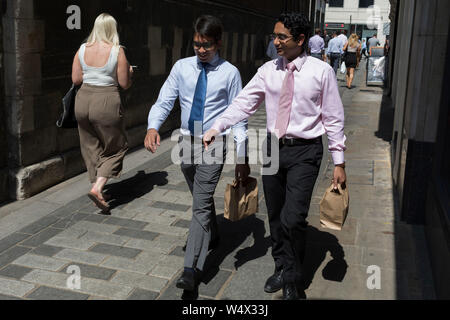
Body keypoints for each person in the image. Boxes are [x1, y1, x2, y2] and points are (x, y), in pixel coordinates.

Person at [203, 12, 347, 300]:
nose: (276, 41)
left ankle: (293, 278)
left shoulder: (321, 72)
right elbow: (243, 103)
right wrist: (217, 127)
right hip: (272, 148)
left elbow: (333, 117)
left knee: (294, 217)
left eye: (282, 36)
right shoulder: (268, 70)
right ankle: (282, 266)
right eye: (275, 36)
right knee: (277, 216)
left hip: (306, 150)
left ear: (300, 39)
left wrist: (339, 160)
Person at [144, 15, 250, 299]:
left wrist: (241, 155)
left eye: (207, 45)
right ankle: (212, 234)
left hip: (213, 142)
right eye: (196, 45)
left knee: (201, 205)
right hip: (186, 141)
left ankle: (191, 269)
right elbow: (166, 99)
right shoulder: (182, 68)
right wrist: (153, 126)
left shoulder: (230, 73)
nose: (201, 50)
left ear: (218, 43)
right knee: (199, 199)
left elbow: (238, 117)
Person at [72, 13, 133, 213]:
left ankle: (98, 185)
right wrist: (130, 73)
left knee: (90, 145)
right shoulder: (117, 51)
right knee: (117, 146)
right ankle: (97, 187)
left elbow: (76, 79)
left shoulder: (81, 49)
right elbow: (124, 84)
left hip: (83, 100)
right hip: (105, 100)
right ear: (112, 29)